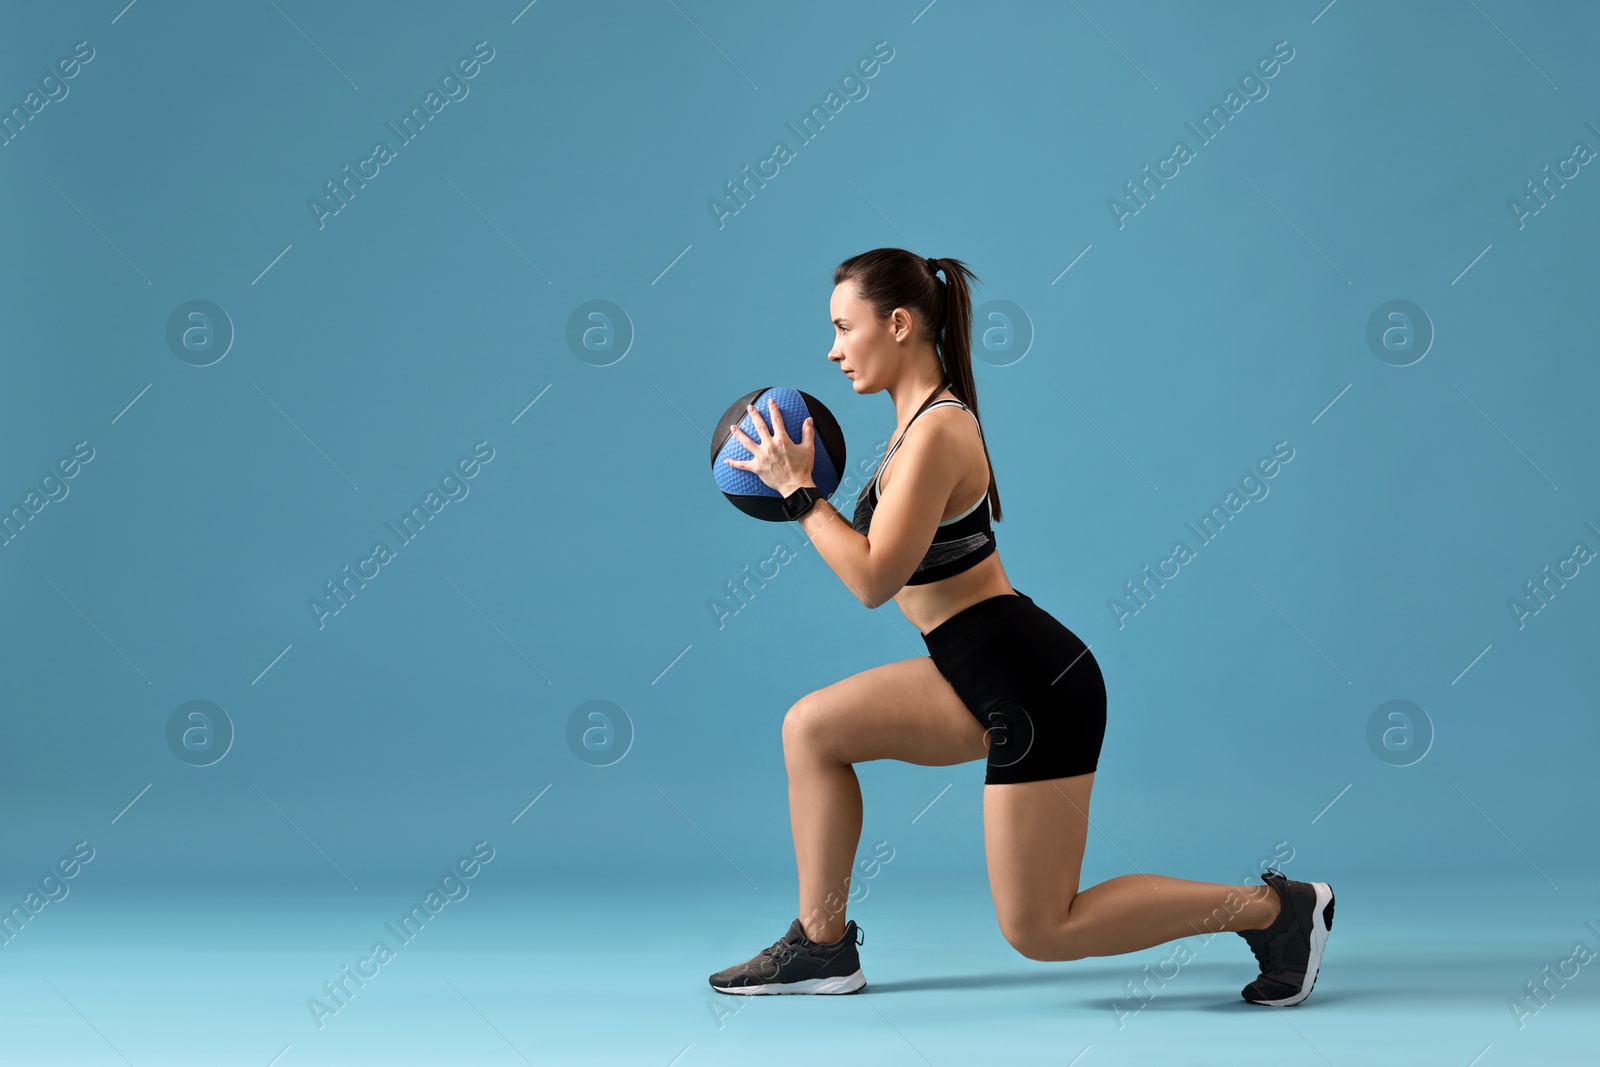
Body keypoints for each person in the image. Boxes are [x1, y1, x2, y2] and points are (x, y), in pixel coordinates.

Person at [713, 248, 1334, 1005]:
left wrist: (801, 494)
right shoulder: (909, 428)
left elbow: (875, 578)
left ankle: (1280, 911)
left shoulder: (939, 431)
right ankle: (822, 946)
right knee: (811, 729)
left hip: (1033, 683)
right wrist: (804, 491)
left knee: (1042, 927)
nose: (833, 349)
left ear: (899, 323)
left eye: (844, 327)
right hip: (973, 669)